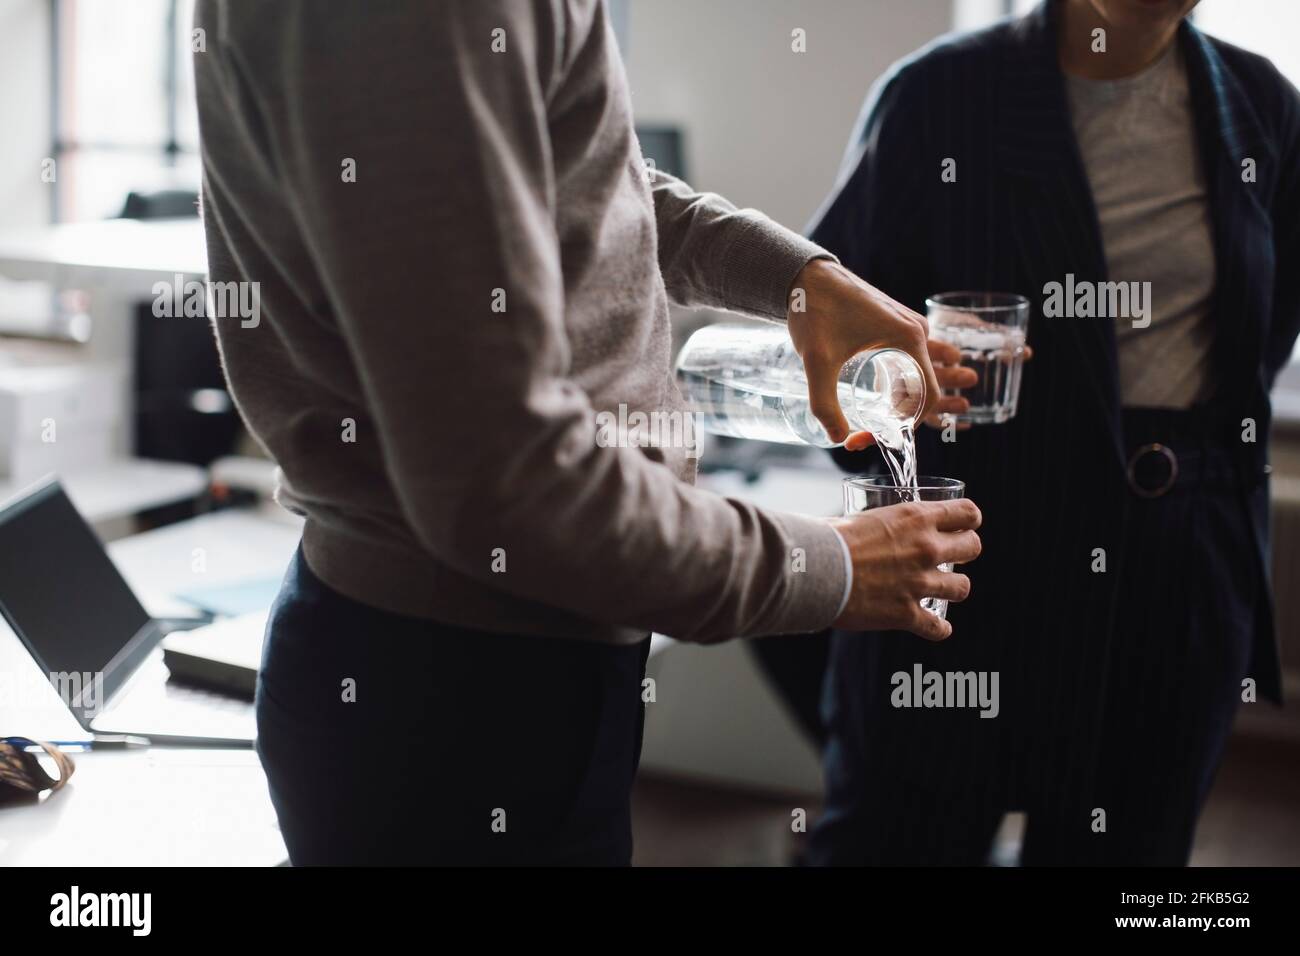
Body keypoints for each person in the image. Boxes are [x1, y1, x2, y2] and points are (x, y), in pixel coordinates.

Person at [191, 0, 983, 864]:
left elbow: (581, 187)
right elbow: (506, 483)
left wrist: (797, 276)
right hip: (457, 700)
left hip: (489, 672)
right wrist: (825, 567)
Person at [806, 0, 1299, 865]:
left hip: (1173, 570)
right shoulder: (939, 97)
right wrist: (902, 383)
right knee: (896, 840)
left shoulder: (1261, 104)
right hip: (976, 549)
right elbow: (829, 331)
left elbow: (1263, 337)